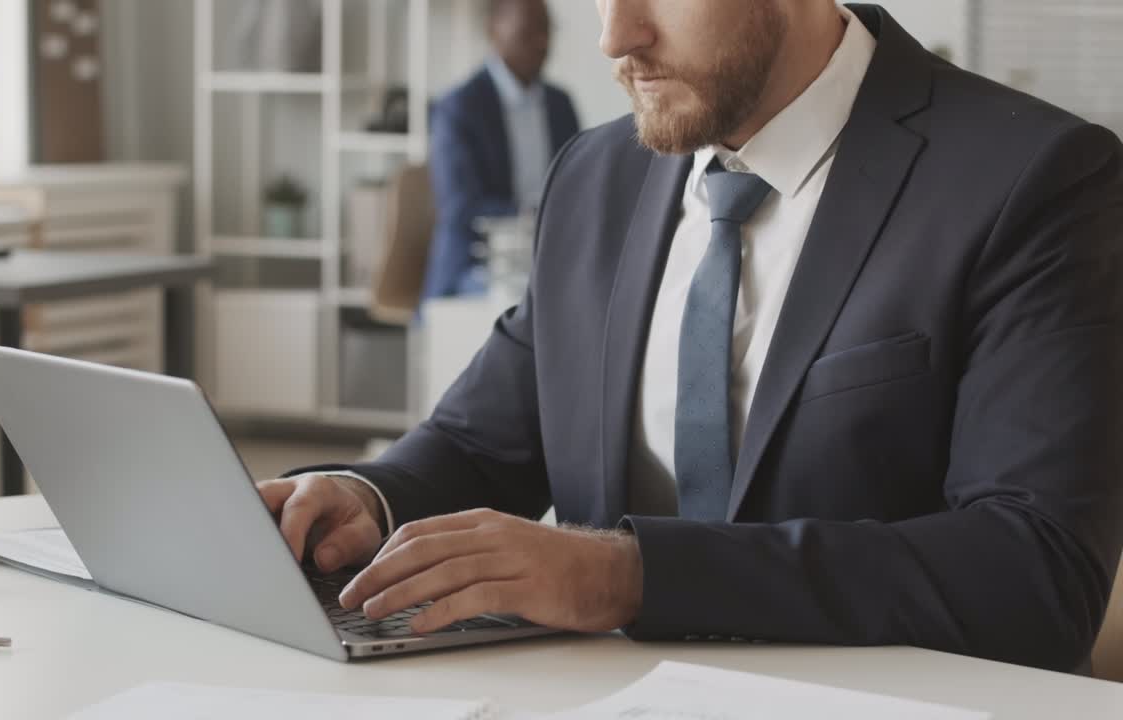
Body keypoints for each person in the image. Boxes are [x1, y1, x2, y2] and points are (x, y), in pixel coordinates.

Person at [260, 1, 1123, 672]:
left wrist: (626, 574)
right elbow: (483, 444)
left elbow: (1036, 572)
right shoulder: (594, 176)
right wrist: (360, 500)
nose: (614, 36)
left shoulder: (1033, 179)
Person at [420, 0, 580, 299]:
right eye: (529, 30)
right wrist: (529, 215)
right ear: (494, 29)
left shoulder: (561, 105)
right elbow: (460, 208)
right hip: (477, 265)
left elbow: (578, 188)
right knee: (526, 299)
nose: (542, 41)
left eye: (547, 30)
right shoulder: (458, 109)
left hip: (550, 255)